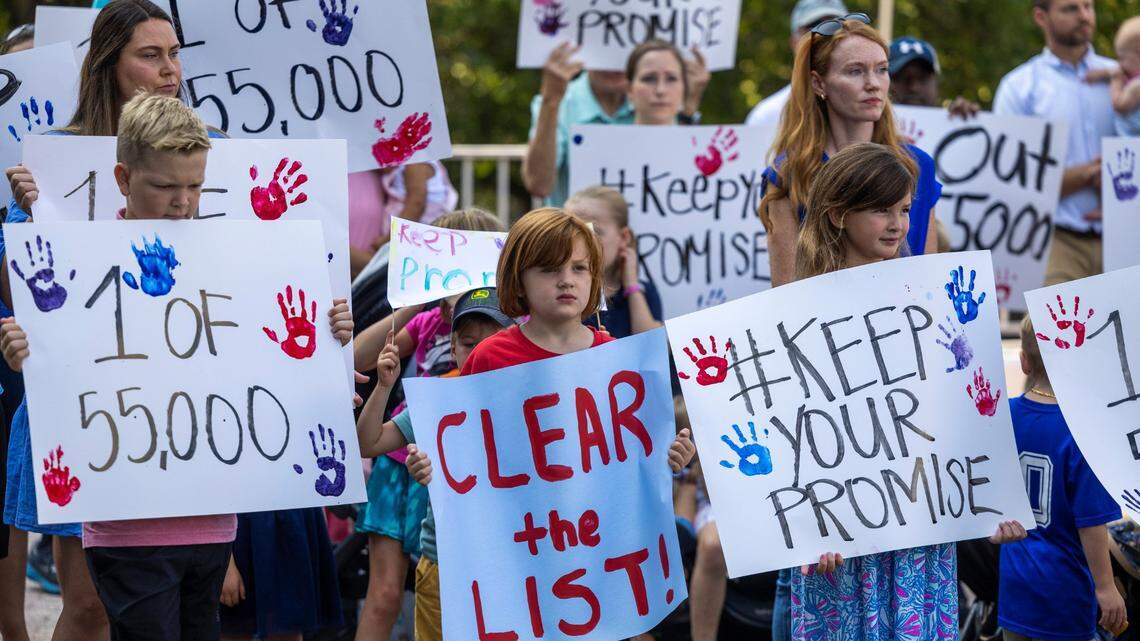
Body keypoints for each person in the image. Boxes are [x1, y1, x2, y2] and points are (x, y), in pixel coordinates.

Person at [1, 93, 353, 641]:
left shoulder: (232, 259)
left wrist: (329, 346)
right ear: (123, 178)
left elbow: (266, 356)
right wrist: (28, 348)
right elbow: (60, 360)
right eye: (165, 187)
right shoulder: (80, 262)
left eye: (194, 186)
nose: (182, 202)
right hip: (125, 521)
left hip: (213, 523)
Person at [789, 142, 1026, 640]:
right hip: (839, 538)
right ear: (837, 215)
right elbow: (794, 428)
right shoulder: (796, 313)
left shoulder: (931, 300)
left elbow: (959, 414)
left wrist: (991, 503)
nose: (898, 223)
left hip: (918, 528)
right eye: (881, 210)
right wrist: (808, 528)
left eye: (903, 209)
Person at [350, 209, 501, 641]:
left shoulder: (506, 326)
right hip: (400, 459)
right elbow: (359, 356)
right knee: (384, 595)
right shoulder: (426, 321)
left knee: (455, 587)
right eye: (446, 266)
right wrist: (417, 299)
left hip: (456, 470)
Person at [758, 13, 941, 289]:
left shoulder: (917, 165)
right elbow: (787, 296)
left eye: (882, 69)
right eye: (855, 71)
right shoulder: (790, 173)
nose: (873, 83)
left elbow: (930, 284)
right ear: (819, 83)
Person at [998, 316, 1128, 641]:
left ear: (1024, 362)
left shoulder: (1003, 416)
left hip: (1014, 587)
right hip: (1064, 590)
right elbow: (1091, 523)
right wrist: (1106, 586)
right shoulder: (1082, 430)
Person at [993, 0, 1116, 286]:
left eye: (1088, 6)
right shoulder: (1019, 88)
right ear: (1041, 17)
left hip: (1126, 237)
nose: (1084, 16)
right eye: (1070, 8)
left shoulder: (1121, 79)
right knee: (1055, 317)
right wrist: (1089, 175)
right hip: (1055, 243)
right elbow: (1009, 182)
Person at [523, 42, 709, 206]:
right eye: (649, 79)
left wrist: (686, 110)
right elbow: (538, 184)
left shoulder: (654, 103)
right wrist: (551, 100)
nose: (660, 90)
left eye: (671, 80)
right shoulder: (560, 103)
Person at [219, 507, 343, 640]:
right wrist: (226, 563)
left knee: (288, 626)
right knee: (235, 626)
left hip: (293, 523)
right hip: (239, 525)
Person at [565, 186, 663, 338]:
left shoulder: (643, 290)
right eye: (572, 232)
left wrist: (632, 287)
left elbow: (651, 343)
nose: (582, 242)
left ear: (624, 237)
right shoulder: (566, 289)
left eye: (595, 232)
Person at [746, 0, 848, 128]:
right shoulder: (766, 118)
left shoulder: (868, 108)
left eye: (836, 27)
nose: (825, 35)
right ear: (794, 42)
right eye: (814, 26)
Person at [348, 162, 459, 278]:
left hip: (415, 235)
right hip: (407, 238)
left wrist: (389, 239)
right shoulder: (400, 167)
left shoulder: (415, 163)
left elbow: (416, 204)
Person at [1096, 15, 1140, 136]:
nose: (1119, 64)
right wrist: (1097, 75)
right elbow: (1111, 70)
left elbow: (1119, 105)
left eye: (1122, 58)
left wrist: (1116, 81)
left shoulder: (1136, 86)